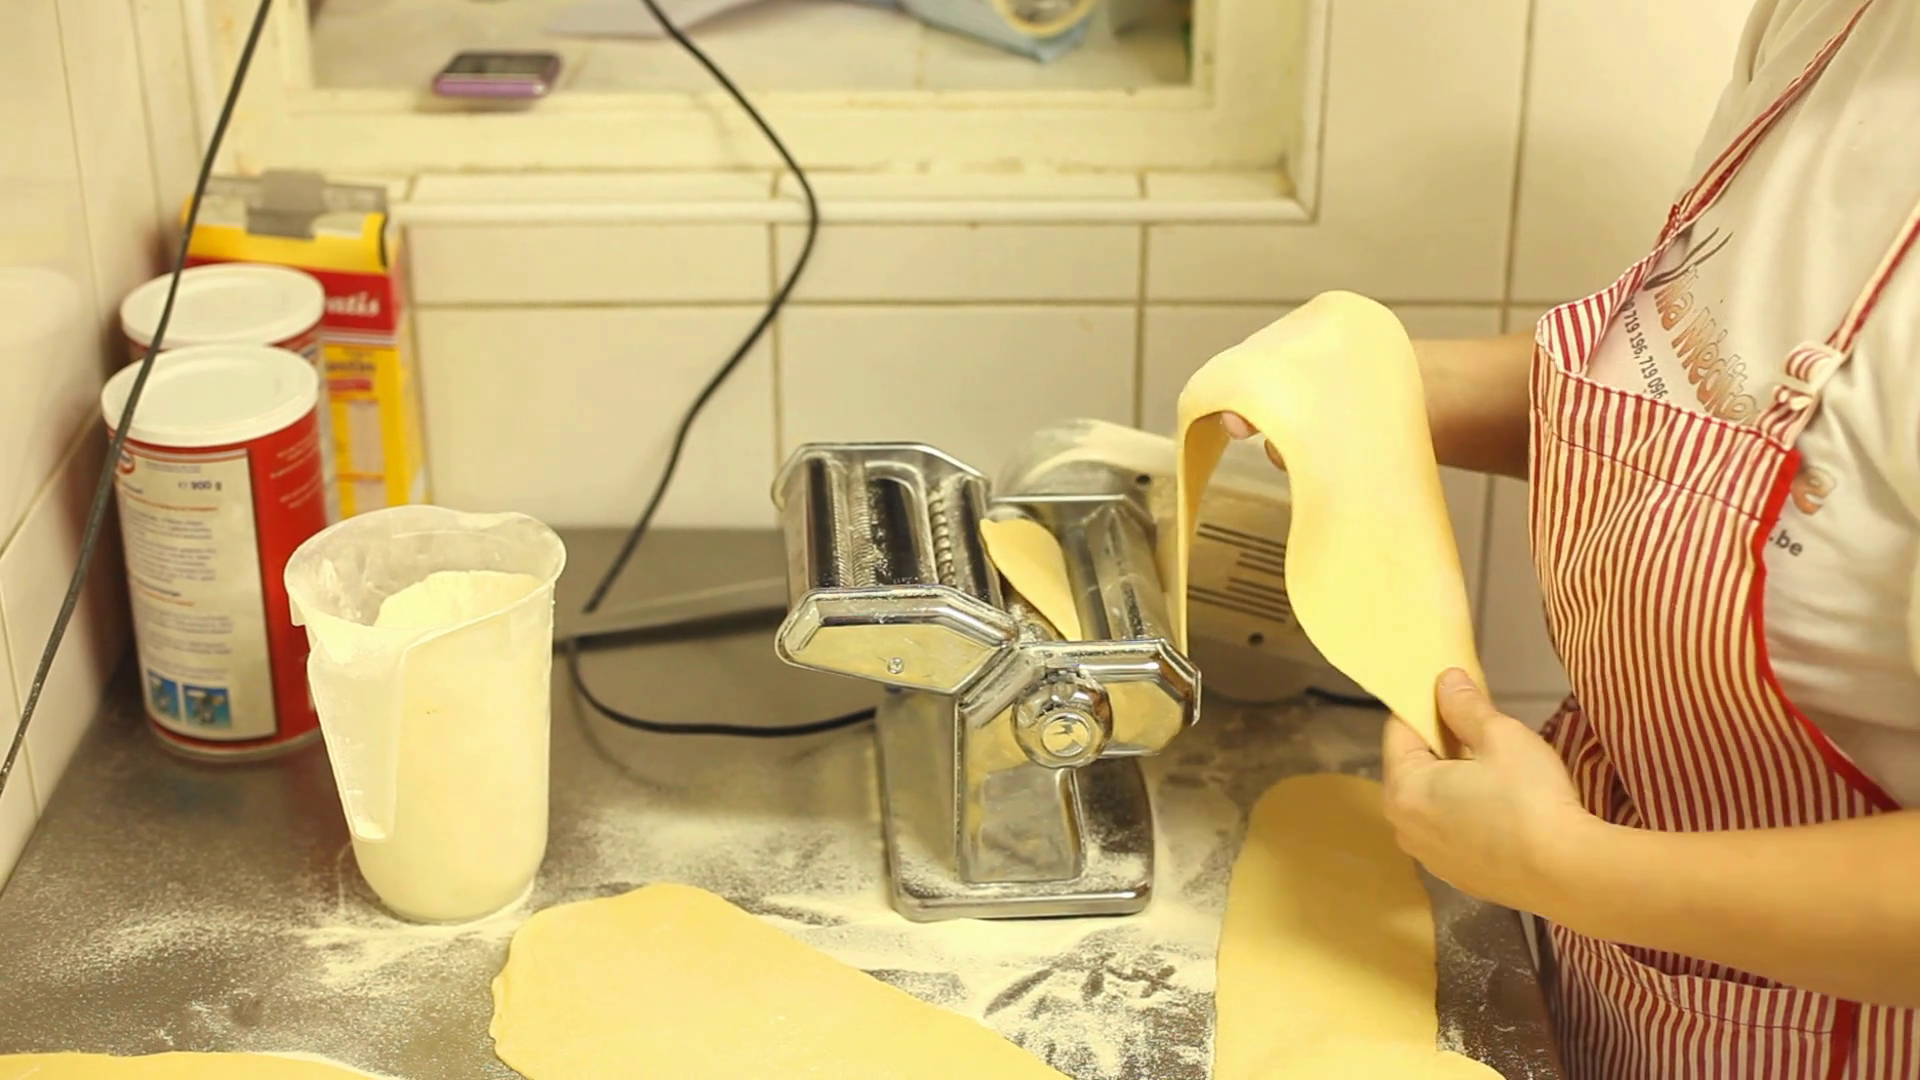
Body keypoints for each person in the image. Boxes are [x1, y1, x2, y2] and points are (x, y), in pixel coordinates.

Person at [1220, 0, 1918, 1075]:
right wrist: (1381, 389)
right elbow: (1710, 394)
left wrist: (1568, 866)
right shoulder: (1833, 22)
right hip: (1623, 985)